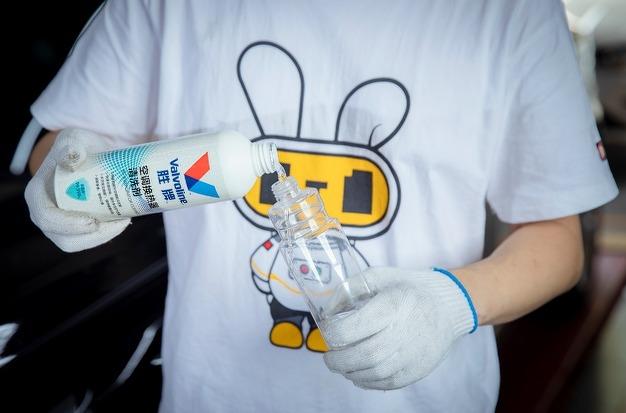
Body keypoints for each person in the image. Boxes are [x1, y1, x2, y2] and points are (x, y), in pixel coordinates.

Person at [24, 1, 618, 412]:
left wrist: (451, 303)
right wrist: (62, 178)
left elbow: (558, 239)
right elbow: (63, 150)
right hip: (212, 397)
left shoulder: (510, 11)